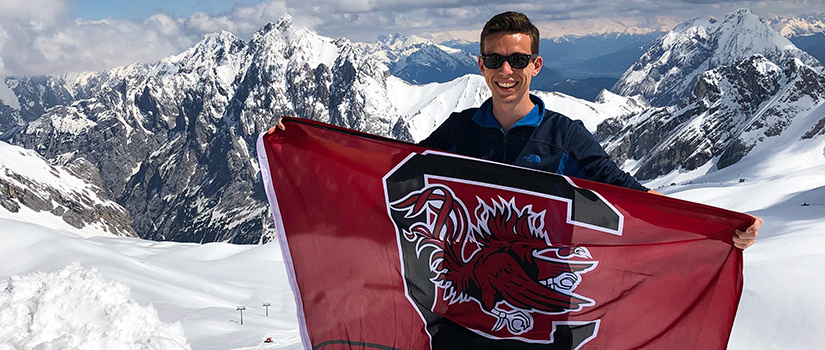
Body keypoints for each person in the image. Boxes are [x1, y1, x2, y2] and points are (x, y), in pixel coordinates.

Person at [267, 11, 760, 249]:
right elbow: (394, 172)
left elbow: (628, 194)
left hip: (544, 302)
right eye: (496, 59)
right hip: (465, 303)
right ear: (481, 65)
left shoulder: (565, 136)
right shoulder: (458, 132)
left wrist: (716, 226)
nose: (507, 70)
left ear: (536, 64)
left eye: (518, 59)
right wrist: (308, 142)